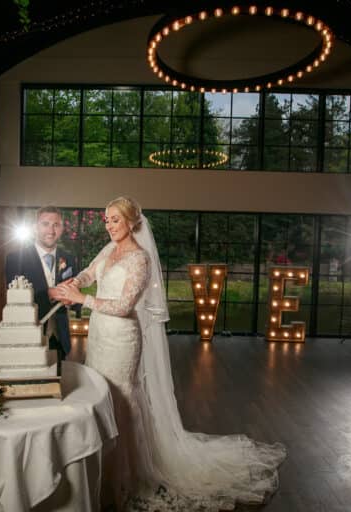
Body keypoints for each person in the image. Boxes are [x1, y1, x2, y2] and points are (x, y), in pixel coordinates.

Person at [56, 196, 286, 511]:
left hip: (123, 337)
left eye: (115, 220)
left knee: (122, 398)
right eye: (106, 220)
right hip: (99, 334)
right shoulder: (109, 250)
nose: (109, 226)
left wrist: (81, 299)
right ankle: (98, 468)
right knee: (99, 395)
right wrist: (73, 283)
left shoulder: (140, 259)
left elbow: (124, 307)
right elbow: (88, 273)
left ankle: (128, 477)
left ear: (132, 222)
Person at [5, 206, 78, 360]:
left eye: (56, 225)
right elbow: (14, 300)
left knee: (58, 380)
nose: (51, 231)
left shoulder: (70, 259)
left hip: (60, 337)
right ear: (35, 228)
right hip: (29, 334)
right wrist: (49, 293)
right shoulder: (15, 258)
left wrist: (72, 300)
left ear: (62, 228)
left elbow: (76, 300)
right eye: (45, 224)